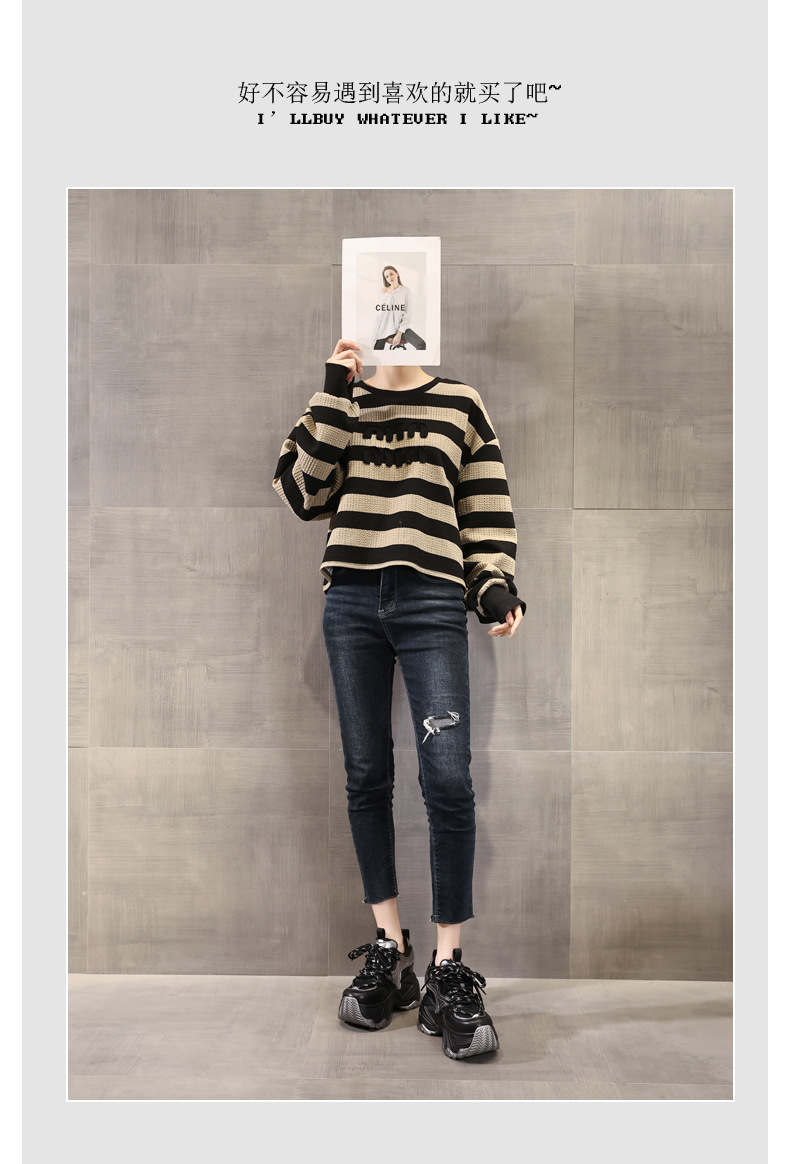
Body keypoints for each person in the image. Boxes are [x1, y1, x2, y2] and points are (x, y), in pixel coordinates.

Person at [272, 338, 525, 1061]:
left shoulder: (460, 404)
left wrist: (493, 583)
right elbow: (301, 494)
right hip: (351, 602)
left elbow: (485, 514)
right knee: (366, 775)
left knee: (447, 779)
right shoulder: (339, 401)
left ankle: (448, 969)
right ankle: (392, 950)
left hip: (432, 600)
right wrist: (334, 389)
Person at [371, 265, 427, 350]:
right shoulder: (383, 291)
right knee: (375, 350)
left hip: (401, 327)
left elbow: (408, 314)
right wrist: (376, 329)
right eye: (387, 276)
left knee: (421, 345)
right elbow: (381, 313)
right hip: (384, 327)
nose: (390, 277)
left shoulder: (405, 291)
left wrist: (399, 333)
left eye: (391, 274)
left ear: (397, 274)